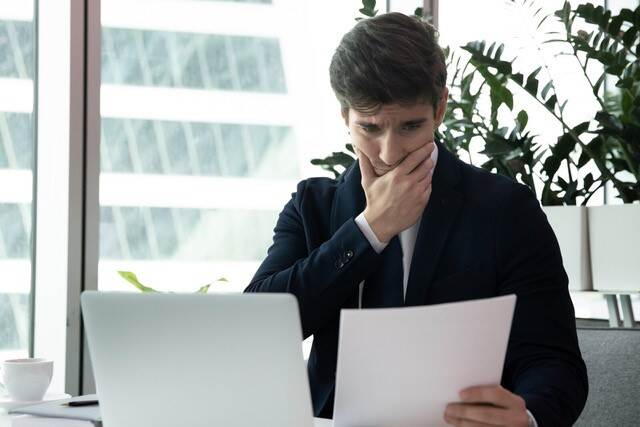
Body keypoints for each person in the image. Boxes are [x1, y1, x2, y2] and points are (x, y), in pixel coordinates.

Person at [245, 12, 587, 427]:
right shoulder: (312, 206)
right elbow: (257, 331)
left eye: (410, 126)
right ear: (344, 117)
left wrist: (528, 417)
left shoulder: (506, 210)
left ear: (440, 107)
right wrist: (369, 231)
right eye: (369, 127)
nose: (390, 153)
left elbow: (554, 360)